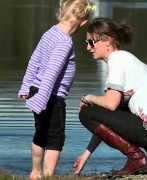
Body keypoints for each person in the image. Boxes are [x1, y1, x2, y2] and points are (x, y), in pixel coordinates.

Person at [72, 17, 147, 176]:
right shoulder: (127, 60)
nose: (88, 47)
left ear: (107, 41)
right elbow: (107, 119)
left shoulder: (117, 59)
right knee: (112, 107)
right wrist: (86, 154)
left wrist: (88, 97)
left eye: (91, 42)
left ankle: (137, 159)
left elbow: (110, 104)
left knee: (86, 111)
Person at [17, 0, 95, 179]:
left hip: (38, 90)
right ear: (83, 22)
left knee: (40, 134)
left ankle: (35, 172)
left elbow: (34, 61)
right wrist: (42, 99)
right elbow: (52, 73)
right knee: (55, 138)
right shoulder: (64, 42)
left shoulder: (50, 33)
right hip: (50, 96)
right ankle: (48, 174)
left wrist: (26, 86)